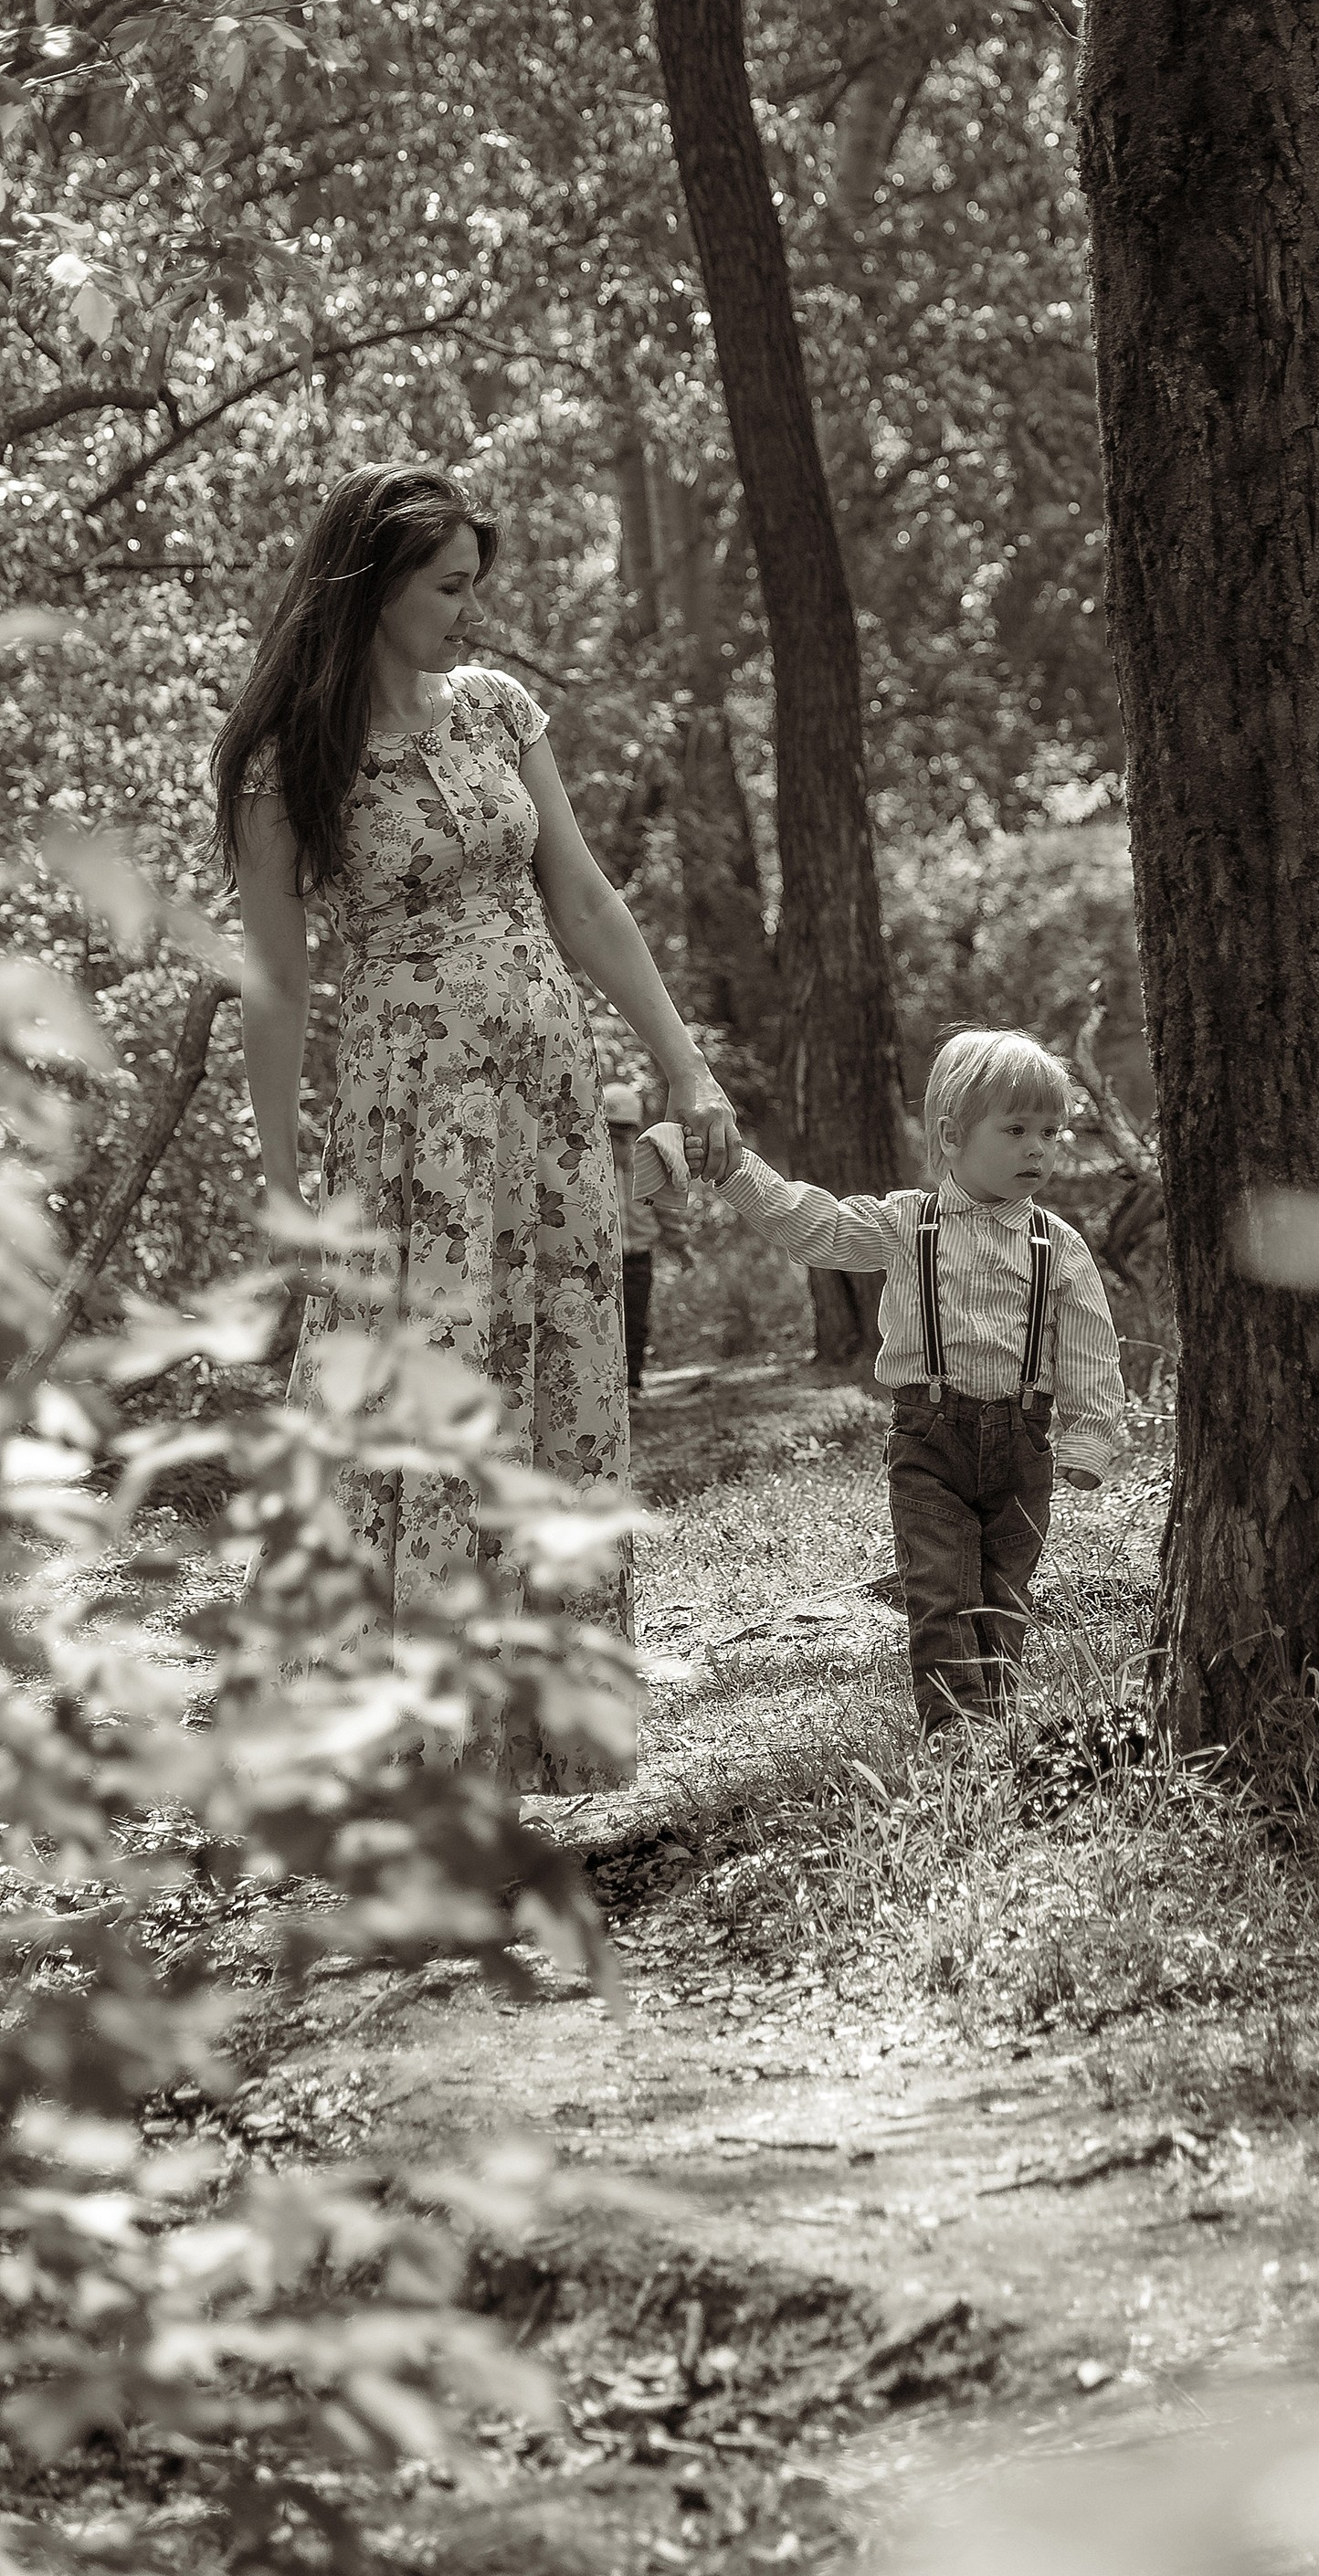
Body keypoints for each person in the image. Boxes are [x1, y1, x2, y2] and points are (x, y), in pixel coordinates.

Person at [210, 464, 739, 1779]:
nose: (468, 612)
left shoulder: (499, 710)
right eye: (447, 587)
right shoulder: (290, 763)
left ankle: (533, 1737)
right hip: (412, 1133)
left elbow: (585, 899)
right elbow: (276, 986)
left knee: (558, 1377)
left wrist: (684, 1067)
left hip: (548, 1106)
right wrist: (281, 1184)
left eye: (471, 587)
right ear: (374, 586)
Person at [640, 1028, 1124, 1734]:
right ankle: (957, 1736)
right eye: (1016, 1129)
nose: (1037, 1149)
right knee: (939, 1591)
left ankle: (999, 1727)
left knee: (1004, 1597)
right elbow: (813, 1225)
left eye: (1051, 1132)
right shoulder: (908, 1223)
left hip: (1024, 1448)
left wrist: (1090, 1437)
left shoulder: (1059, 1244)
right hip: (931, 1442)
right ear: (952, 1136)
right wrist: (737, 1170)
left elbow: (1089, 1346)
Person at [601, 1080, 691, 1394]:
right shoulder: (587, 1169)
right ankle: (605, 1387)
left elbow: (664, 1210)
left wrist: (680, 1246)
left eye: (624, 1136)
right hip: (602, 1258)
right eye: (611, 1136)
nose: (618, 1145)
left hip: (638, 1257)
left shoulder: (645, 1166)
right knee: (603, 1324)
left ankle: (632, 1383)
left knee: (635, 1321)